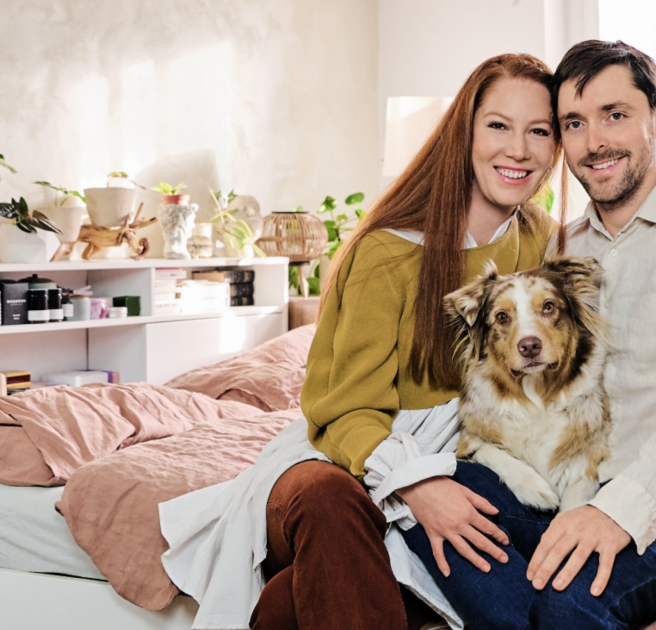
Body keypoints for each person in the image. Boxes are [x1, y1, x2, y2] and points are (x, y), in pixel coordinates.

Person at [158, 53, 560, 630]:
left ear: (556, 145)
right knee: (329, 500)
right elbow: (342, 409)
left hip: (454, 456)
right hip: (338, 456)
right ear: (465, 134)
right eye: (498, 125)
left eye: (539, 131)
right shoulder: (387, 253)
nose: (518, 149)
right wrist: (418, 484)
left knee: (290, 603)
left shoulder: (543, 240)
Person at [399, 40, 656, 630]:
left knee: (572, 603)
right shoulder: (557, 248)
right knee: (429, 506)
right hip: (579, 481)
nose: (595, 141)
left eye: (615, 115)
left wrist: (621, 509)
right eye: (574, 124)